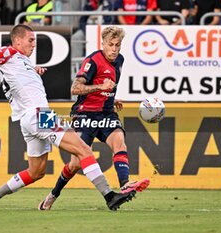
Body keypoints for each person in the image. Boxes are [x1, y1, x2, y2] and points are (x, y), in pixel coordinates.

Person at [0, 24, 136, 211]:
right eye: (30, 40)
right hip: (40, 115)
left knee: (36, 172)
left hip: (28, 120)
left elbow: (15, 79)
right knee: (83, 149)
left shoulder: (21, 61)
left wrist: (34, 70)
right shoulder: (7, 52)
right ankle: (109, 195)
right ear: (17, 40)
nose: (34, 44)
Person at [38, 26, 150, 211]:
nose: (114, 49)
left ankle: (124, 184)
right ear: (103, 44)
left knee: (120, 143)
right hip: (85, 114)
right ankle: (52, 195)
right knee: (74, 165)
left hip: (106, 113)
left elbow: (108, 88)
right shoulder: (93, 61)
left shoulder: (120, 60)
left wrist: (111, 98)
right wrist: (100, 87)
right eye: (110, 45)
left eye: (117, 45)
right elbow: (75, 88)